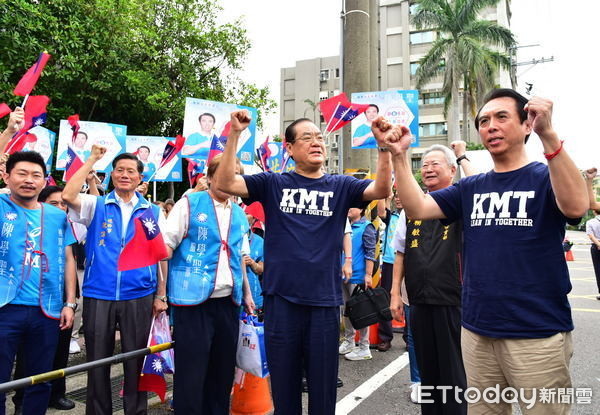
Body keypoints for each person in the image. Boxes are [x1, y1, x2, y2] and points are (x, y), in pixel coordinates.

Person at [388, 88, 588, 414]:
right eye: (483, 121)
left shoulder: (544, 176)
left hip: (536, 334)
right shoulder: (471, 187)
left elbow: (577, 206)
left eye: (501, 117)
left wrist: (548, 135)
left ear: (527, 125)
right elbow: (418, 208)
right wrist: (398, 155)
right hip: (477, 331)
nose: (490, 126)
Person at [214, 111, 396, 414]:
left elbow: (381, 190)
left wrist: (384, 147)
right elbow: (226, 182)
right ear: (289, 147)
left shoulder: (341, 185)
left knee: (323, 391)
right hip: (281, 302)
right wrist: (234, 134)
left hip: (324, 303)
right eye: (307, 137)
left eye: (319, 138)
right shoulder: (273, 183)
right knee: (285, 391)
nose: (316, 143)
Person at [62, 145, 168, 415]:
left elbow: (160, 256)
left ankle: (136, 411)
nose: (124, 174)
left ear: (140, 178)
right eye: (119, 170)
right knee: (97, 361)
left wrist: (160, 295)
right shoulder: (96, 205)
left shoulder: (151, 212)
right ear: (111, 175)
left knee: (136, 360)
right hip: (100, 292)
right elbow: (67, 194)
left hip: (139, 294)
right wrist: (92, 159)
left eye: (130, 171)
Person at [163, 154, 255, 414]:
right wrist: (160, 293)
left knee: (222, 372)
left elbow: (239, 257)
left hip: (229, 303)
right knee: (191, 374)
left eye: (236, 175)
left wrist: (247, 294)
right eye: (225, 173)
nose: (230, 179)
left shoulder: (239, 213)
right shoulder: (189, 203)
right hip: (193, 303)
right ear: (211, 176)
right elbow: (166, 248)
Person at [391, 144, 468, 414]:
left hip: (451, 299)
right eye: (424, 165)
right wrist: (395, 294)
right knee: (428, 370)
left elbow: (476, 184)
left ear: (451, 169)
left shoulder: (462, 202)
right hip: (418, 299)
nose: (428, 169)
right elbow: (399, 252)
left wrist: (462, 155)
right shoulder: (411, 208)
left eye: (435, 163)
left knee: (453, 372)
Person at [0, 152, 76, 415]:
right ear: (6, 176)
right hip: (5, 307)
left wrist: (70, 303)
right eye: (22, 173)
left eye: (36, 175)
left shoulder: (57, 216)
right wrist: (9, 131)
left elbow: (67, 259)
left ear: (44, 182)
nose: (29, 180)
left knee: (40, 379)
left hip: (48, 309)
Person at [340, 207, 377, 361]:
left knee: (362, 312)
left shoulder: (366, 227)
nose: (348, 209)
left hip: (358, 277)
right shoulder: (345, 225)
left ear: (361, 209)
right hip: (343, 276)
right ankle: (349, 342)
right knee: (346, 312)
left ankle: (364, 347)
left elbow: (370, 252)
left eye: (352, 206)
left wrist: (368, 275)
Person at [375, 191, 402, 352]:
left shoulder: (415, 215)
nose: (399, 199)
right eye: (397, 196)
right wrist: (385, 195)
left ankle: (409, 337)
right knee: (385, 300)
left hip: (409, 263)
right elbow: (380, 212)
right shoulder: (392, 216)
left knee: (408, 301)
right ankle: (385, 338)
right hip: (389, 263)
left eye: (401, 196)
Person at [586, 208, 600, 300]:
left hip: (596, 247)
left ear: (594, 211)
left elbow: (591, 236)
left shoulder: (590, 222)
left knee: (598, 270)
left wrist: (598, 244)